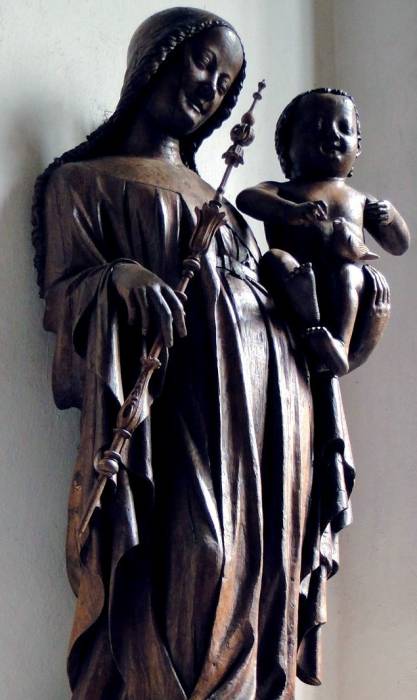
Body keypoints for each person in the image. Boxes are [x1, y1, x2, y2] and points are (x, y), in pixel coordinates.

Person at [32, 13, 386, 700]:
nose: (210, 87)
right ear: (153, 61)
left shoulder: (224, 203)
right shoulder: (84, 182)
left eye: (224, 82)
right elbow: (62, 295)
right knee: (200, 555)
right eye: (202, 63)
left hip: (267, 415)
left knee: (264, 571)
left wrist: (337, 311)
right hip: (181, 412)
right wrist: (120, 278)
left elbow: (276, 303)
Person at [237, 88, 409, 376]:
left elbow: (399, 245)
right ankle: (309, 316)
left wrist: (390, 216)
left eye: (344, 128)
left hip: (342, 290)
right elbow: (247, 198)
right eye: (316, 128)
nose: (332, 134)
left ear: (358, 146)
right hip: (294, 280)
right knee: (273, 259)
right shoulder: (285, 191)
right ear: (287, 145)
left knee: (350, 273)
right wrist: (290, 211)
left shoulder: (358, 199)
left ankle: (338, 344)